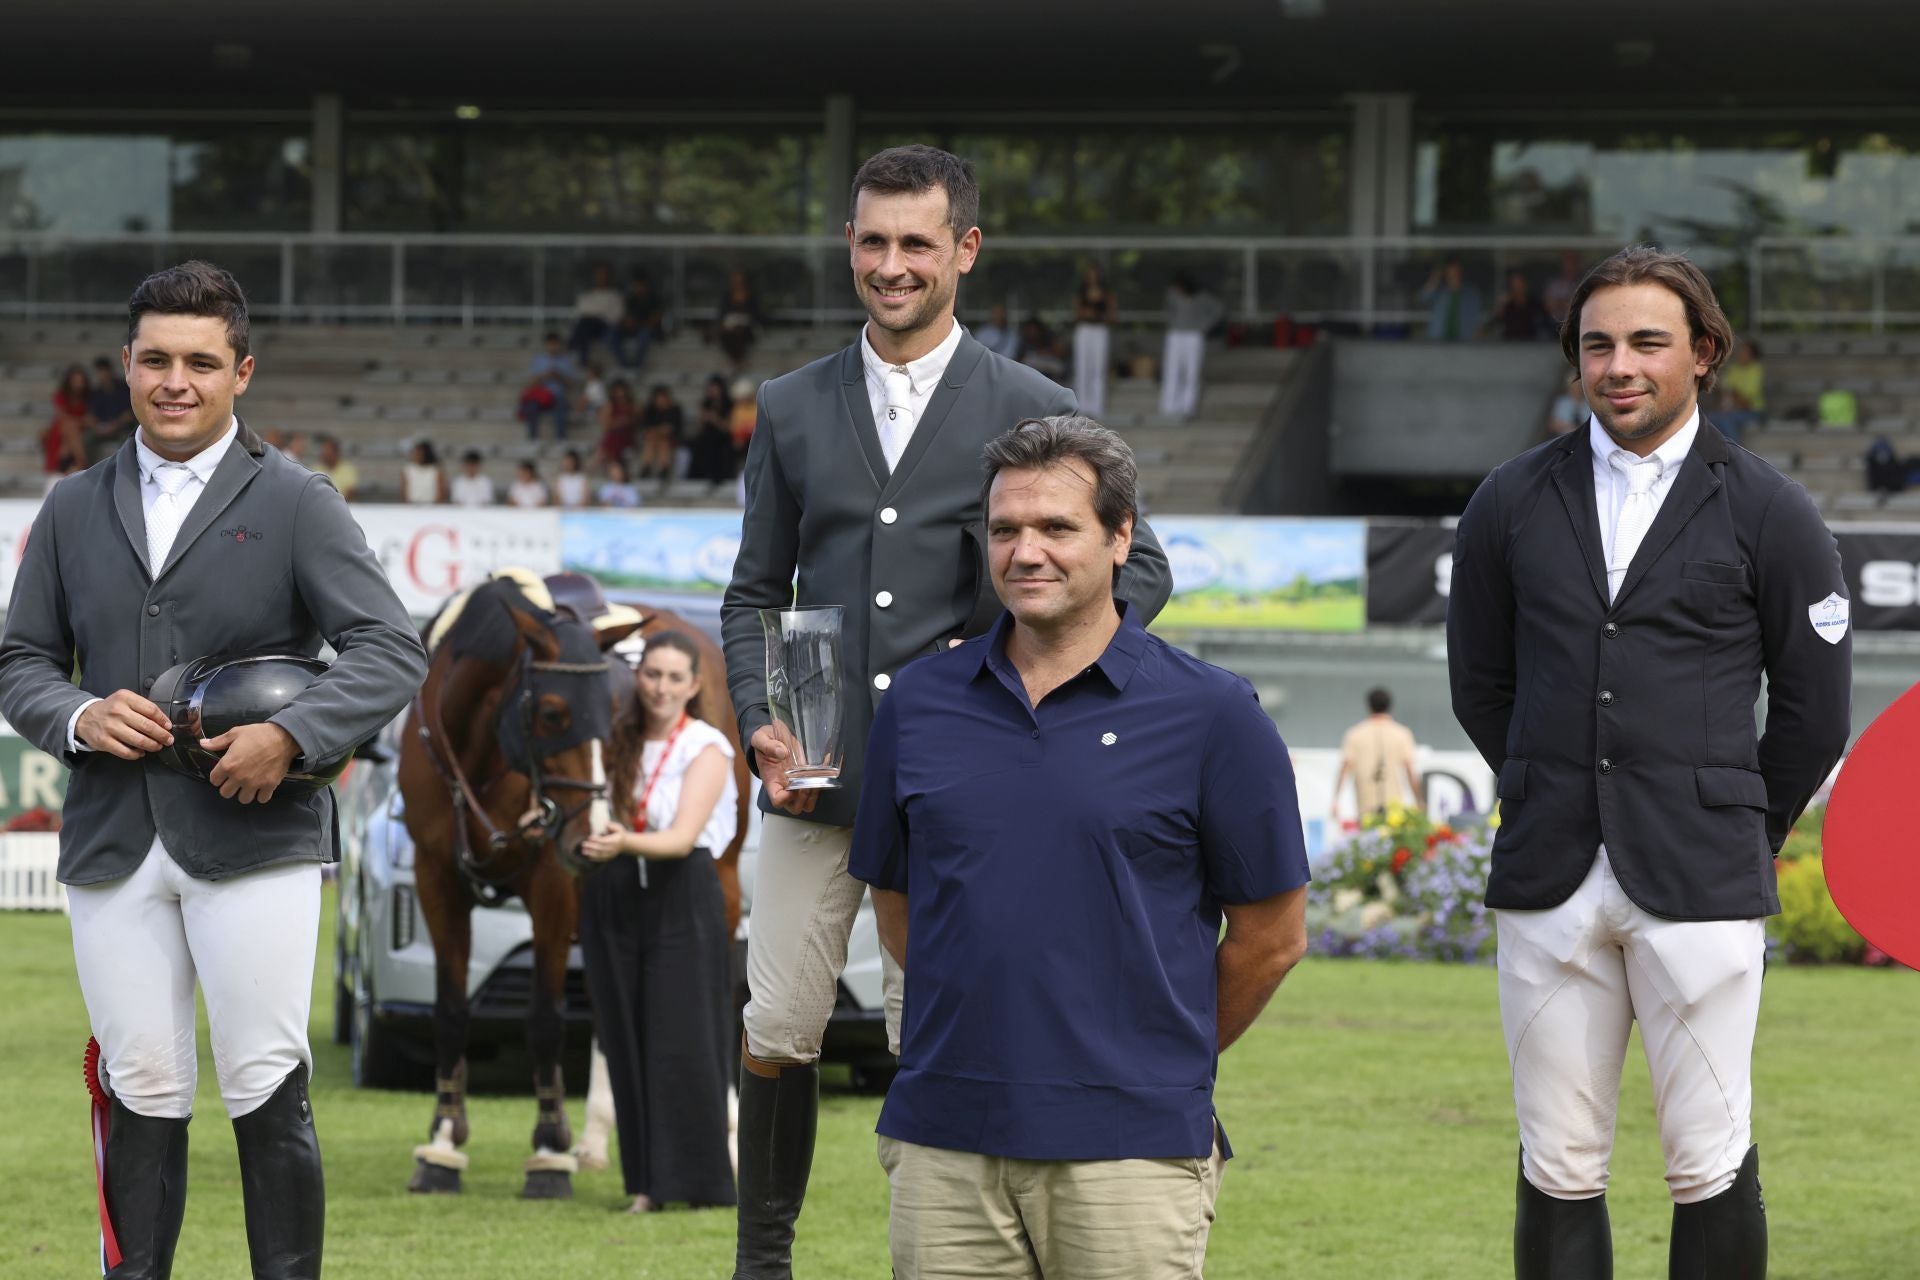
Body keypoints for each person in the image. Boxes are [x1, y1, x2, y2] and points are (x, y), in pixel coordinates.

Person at [720, 143, 1172, 1280]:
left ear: (964, 249)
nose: (891, 263)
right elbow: (750, 593)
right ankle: (759, 1258)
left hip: (964, 795)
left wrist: (1015, 674)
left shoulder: (1037, 405)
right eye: (872, 241)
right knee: (777, 1024)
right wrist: (759, 715)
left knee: (941, 1038)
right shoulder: (788, 403)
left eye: (917, 242)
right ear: (849, 245)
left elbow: (1142, 572)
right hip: (817, 779)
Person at [0, 259, 426, 1279]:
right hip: (111, 841)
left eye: (200, 360)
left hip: (256, 839)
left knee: (263, 1076)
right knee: (141, 1080)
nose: (174, 380)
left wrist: (293, 734)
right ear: (125, 366)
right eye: (155, 359)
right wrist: (79, 712)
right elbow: (19, 661)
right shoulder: (70, 505)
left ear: (242, 370)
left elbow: (389, 647)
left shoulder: (295, 500)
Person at [1448, 245, 1852, 1279]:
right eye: (1598, 344)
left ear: (1704, 354)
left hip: (1704, 879)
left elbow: (1812, 714)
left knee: (1709, 1161)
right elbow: (1481, 684)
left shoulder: (1773, 508)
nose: (1618, 364)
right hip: (1549, 874)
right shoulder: (1506, 498)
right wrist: (1556, 784)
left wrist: (1736, 828)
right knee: (1559, 1160)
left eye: (1646, 342)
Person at [848, 416, 1309, 1280]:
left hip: (1129, 1148)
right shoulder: (919, 702)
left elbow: (1273, 938)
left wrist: (1148, 1058)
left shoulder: (1213, 715)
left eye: (1057, 527)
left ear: (1120, 535)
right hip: (943, 1136)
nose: (1027, 552)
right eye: (1006, 530)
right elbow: (899, 899)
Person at [578, 630, 739, 1215]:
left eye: (674, 677)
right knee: (625, 1036)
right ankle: (646, 1185)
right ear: (636, 677)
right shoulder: (615, 741)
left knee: (685, 1040)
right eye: (652, 674)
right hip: (616, 891)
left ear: (694, 686)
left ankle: (700, 1185)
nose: (661, 688)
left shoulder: (707, 746)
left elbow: (681, 839)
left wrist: (622, 840)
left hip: (682, 892)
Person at [1332, 687, 1422, 821]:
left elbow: (1345, 768)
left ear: (1368, 706)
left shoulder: (1355, 734)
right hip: (1394, 807)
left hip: (1365, 805)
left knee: (1367, 840)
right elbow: (1409, 770)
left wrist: (1336, 799)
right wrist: (1418, 800)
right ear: (1390, 706)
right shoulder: (1402, 734)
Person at [1160, 273, 1220, 420]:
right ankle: (1168, 408)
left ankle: (1187, 408)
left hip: (1193, 336)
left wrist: (1203, 327)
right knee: (1172, 370)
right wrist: (1172, 323)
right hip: (1176, 335)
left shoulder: (1202, 297)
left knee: (1191, 372)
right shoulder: (1172, 296)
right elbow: (1168, 312)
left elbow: (1218, 310)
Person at [1071, 264, 1117, 417]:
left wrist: (1099, 315)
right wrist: (1085, 313)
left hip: (1100, 330)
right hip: (1084, 329)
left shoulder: (1106, 294)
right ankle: (1082, 406)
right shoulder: (1081, 293)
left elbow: (1112, 315)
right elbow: (1076, 314)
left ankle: (1097, 406)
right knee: (1083, 367)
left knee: (1098, 367)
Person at [518, 332, 577, 440]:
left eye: (555, 344)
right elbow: (531, 383)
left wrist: (559, 376)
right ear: (546, 345)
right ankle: (532, 438)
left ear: (559, 345)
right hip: (541, 396)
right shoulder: (538, 360)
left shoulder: (566, 361)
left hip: (557, 396)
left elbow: (571, 385)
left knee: (562, 405)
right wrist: (545, 376)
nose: (553, 347)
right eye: (550, 344)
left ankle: (561, 438)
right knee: (531, 406)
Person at [44, 365, 92, 491]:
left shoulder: (87, 397)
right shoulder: (61, 395)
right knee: (69, 429)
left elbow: (90, 420)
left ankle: (71, 465)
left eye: (80, 381)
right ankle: (81, 462)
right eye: (75, 380)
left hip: (78, 432)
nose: (78, 384)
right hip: (63, 430)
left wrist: (78, 423)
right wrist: (78, 422)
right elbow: (62, 417)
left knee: (70, 432)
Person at [568, 263, 625, 364]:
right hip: (586, 325)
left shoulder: (614, 296)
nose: (601, 277)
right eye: (599, 275)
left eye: (604, 275)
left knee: (587, 323)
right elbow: (578, 313)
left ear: (609, 276)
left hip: (603, 326)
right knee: (585, 323)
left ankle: (574, 346)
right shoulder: (587, 295)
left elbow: (616, 317)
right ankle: (581, 355)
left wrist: (597, 317)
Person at [1422, 257, 1485, 341]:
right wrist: (1435, 277)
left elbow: (1477, 317)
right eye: (1450, 272)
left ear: (1461, 273)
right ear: (1446, 274)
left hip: (1464, 340)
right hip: (1437, 340)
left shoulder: (1471, 295)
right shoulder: (1439, 292)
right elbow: (1424, 298)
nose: (1454, 275)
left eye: (1456, 272)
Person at [611, 268, 664, 369]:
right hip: (633, 328)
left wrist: (638, 323)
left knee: (644, 335)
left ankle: (637, 366)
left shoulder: (655, 298)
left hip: (649, 330)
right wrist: (629, 322)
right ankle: (625, 364)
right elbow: (626, 317)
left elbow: (655, 319)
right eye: (636, 285)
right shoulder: (632, 298)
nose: (638, 288)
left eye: (640, 285)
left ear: (646, 284)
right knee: (611, 334)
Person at [688, 374, 736, 485]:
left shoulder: (729, 404)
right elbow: (700, 426)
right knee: (700, 443)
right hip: (708, 435)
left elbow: (729, 427)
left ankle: (719, 477)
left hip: (724, 436)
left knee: (720, 447)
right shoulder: (706, 403)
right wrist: (703, 418)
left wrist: (715, 419)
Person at [89, 356, 138, 463]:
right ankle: (88, 469)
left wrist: (115, 424)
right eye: (99, 372)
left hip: (122, 428)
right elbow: (93, 415)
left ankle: (125, 467)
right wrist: (97, 427)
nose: (102, 375)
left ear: (110, 371)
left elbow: (130, 413)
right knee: (88, 438)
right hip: (103, 428)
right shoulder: (97, 392)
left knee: (127, 439)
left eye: (104, 371)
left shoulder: (124, 388)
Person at [1717, 339, 1766, 444]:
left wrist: (1732, 392)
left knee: (1727, 420)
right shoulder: (1733, 368)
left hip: (1754, 411)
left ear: (1752, 355)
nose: (1740, 354)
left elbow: (1746, 403)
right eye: (1740, 351)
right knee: (1709, 419)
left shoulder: (1756, 370)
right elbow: (1725, 392)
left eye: (1744, 352)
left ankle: (1735, 455)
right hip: (1732, 409)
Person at [1485, 270, 1553, 340]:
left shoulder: (1534, 303)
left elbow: (1546, 322)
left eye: (1520, 286)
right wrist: (1500, 307)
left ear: (1525, 286)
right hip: (1510, 344)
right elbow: (1493, 324)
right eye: (1514, 287)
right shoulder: (1508, 305)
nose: (1518, 290)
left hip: (1532, 344)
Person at [637, 383, 684, 482]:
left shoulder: (674, 410)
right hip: (653, 439)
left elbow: (674, 429)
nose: (661, 401)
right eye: (658, 398)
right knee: (652, 441)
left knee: (663, 442)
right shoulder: (650, 410)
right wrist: (659, 430)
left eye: (663, 398)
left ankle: (662, 468)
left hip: (670, 439)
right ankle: (648, 467)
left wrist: (660, 430)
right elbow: (647, 429)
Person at [597, 378, 640, 472]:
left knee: (611, 440)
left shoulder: (633, 405)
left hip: (627, 435)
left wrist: (627, 421)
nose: (620, 394)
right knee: (612, 438)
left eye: (622, 391)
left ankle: (607, 465)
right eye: (618, 391)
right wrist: (618, 423)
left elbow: (637, 420)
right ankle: (610, 465)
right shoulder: (610, 405)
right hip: (614, 434)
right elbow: (606, 424)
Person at [401, 439, 448, 505]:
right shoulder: (408, 470)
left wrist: (435, 506)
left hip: (432, 507)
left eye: (419, 452)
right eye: (415, 452)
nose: (416, 455)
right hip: (412, 507)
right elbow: (404, 491)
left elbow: (441, 491)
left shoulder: (436, 470)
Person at [312, 434, 358, 501]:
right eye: (323, 450)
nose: (323, 453)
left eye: (327, 450)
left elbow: (351, 493)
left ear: (335, 452)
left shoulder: (348, 469)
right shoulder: (315, 469)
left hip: (345, 507)